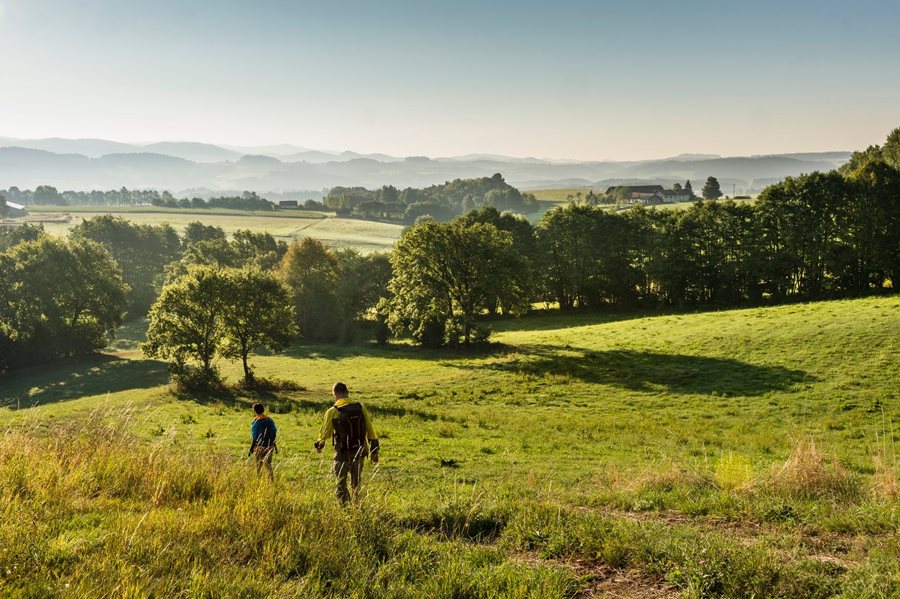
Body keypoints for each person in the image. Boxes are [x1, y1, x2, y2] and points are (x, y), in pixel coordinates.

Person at [314, 382, 379, 503]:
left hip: (342, 453)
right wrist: (374, 450)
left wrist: (319, 445)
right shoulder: (360, 407)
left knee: (341, 483)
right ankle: (357, 506)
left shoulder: (332, 411)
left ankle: (344, 508)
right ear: (347, 392)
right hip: (359, 451)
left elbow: (324, 434)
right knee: (356, 483)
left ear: (334, 394)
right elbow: (370, 429)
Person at [249, 402, 277, 480]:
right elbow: (275, 430)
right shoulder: (270, 420)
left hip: (259, 446)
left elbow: (254, 435)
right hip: (270, 446)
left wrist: (254, 445)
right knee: (268, 464)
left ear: (255, 411)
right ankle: (271, 480)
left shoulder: (256, 422)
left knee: (258, 465)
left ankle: (259, 480)